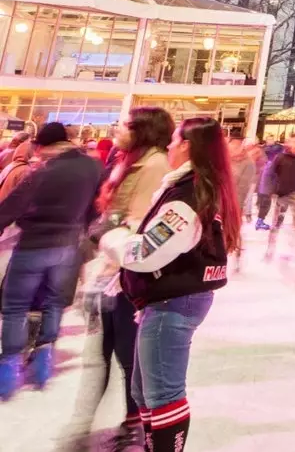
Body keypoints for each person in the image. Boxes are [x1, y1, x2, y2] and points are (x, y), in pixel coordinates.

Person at [98, 117, 239, 452]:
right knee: (143, 391)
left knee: (162, 394)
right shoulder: (187, 187)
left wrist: (113, 238)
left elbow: (146, 252)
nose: (170, 146)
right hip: (169, 298)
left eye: (175, 140)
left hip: (174, 301)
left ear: (187, 145)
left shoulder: (188, 195)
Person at [71, 107, 175, 451]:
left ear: (142, 131)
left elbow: (139, 224)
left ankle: (136, 420)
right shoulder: (130, 160)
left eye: (126, 124)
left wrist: (109, 252)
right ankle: (105, 418)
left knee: (127, 353)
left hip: (124, 274)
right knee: (106, 349)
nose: (118, 127)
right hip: (109, 265)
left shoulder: (155, 164)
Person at [0, 122, 102, 399]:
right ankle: (43, 362)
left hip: (34, 246)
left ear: (46, 146)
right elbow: (98, 204)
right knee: (53, 303)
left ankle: (8, 370)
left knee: (15, 307)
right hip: (68, 247)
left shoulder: (43, 172)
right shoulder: (93, 167)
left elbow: (12, 207)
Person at [264, 134, 295, 261]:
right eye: (294, 142)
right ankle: (270, 246)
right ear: (289, 143)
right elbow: (271, 174)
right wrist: (272, 190)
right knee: (277, 222)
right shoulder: (281, 157)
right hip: (282, 194)